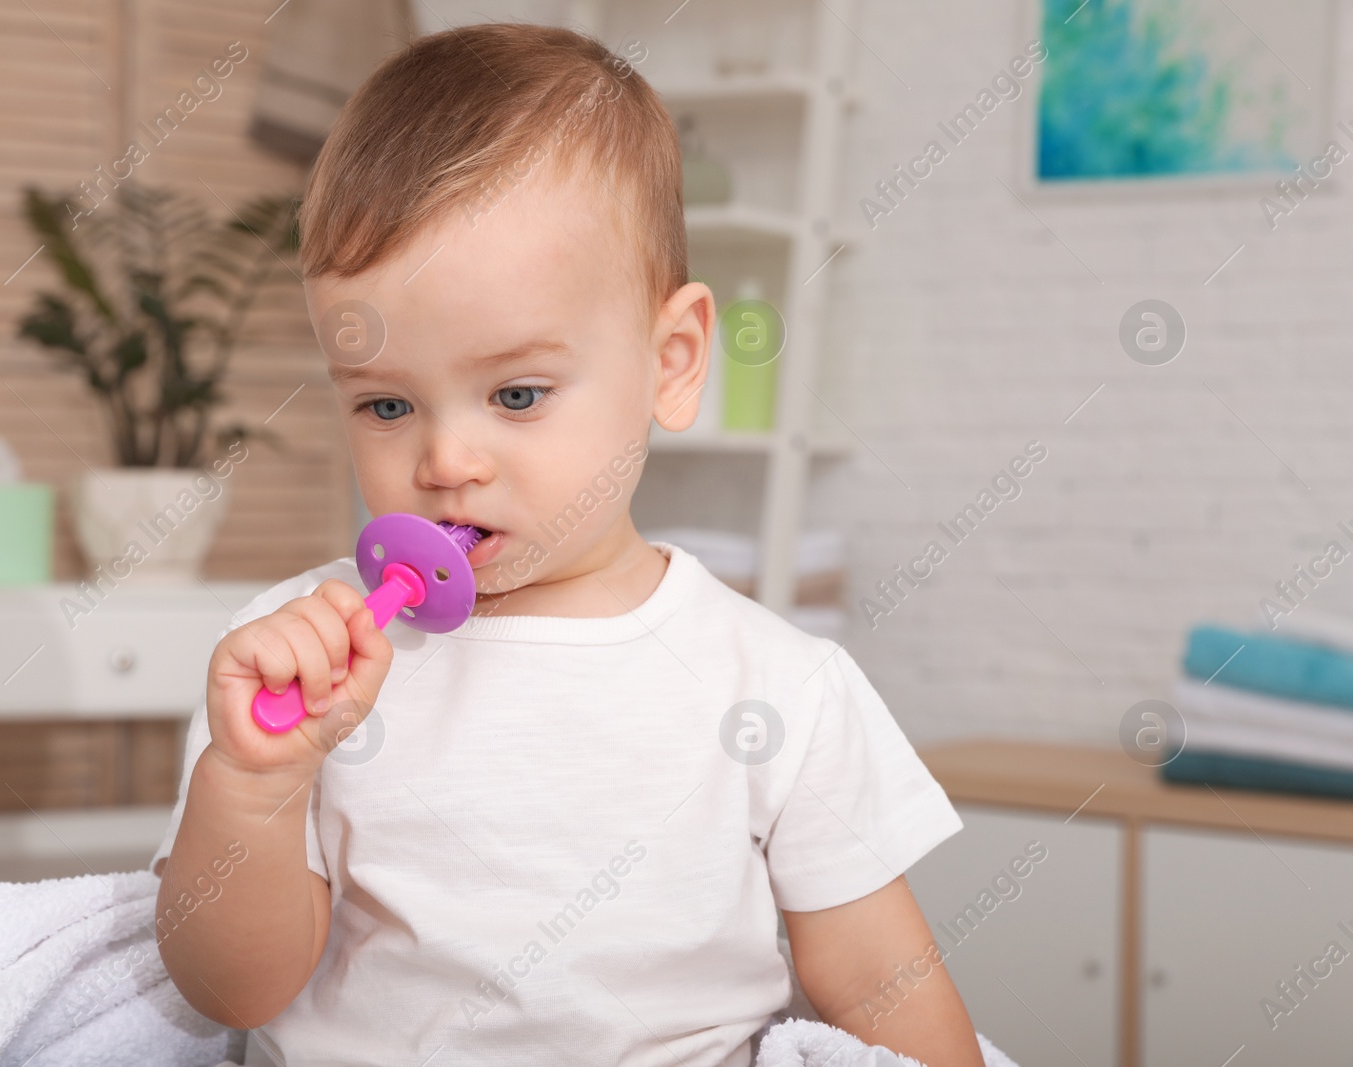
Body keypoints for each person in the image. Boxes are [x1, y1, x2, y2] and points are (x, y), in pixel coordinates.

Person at [152, 22, 983, 1067]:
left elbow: (877, 986)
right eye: (385, 403)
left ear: (671, 361)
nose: (447, 456)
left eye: (516, 393)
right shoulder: (295, 667)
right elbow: (228, 990)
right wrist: (252, 786)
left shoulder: (777, 683)